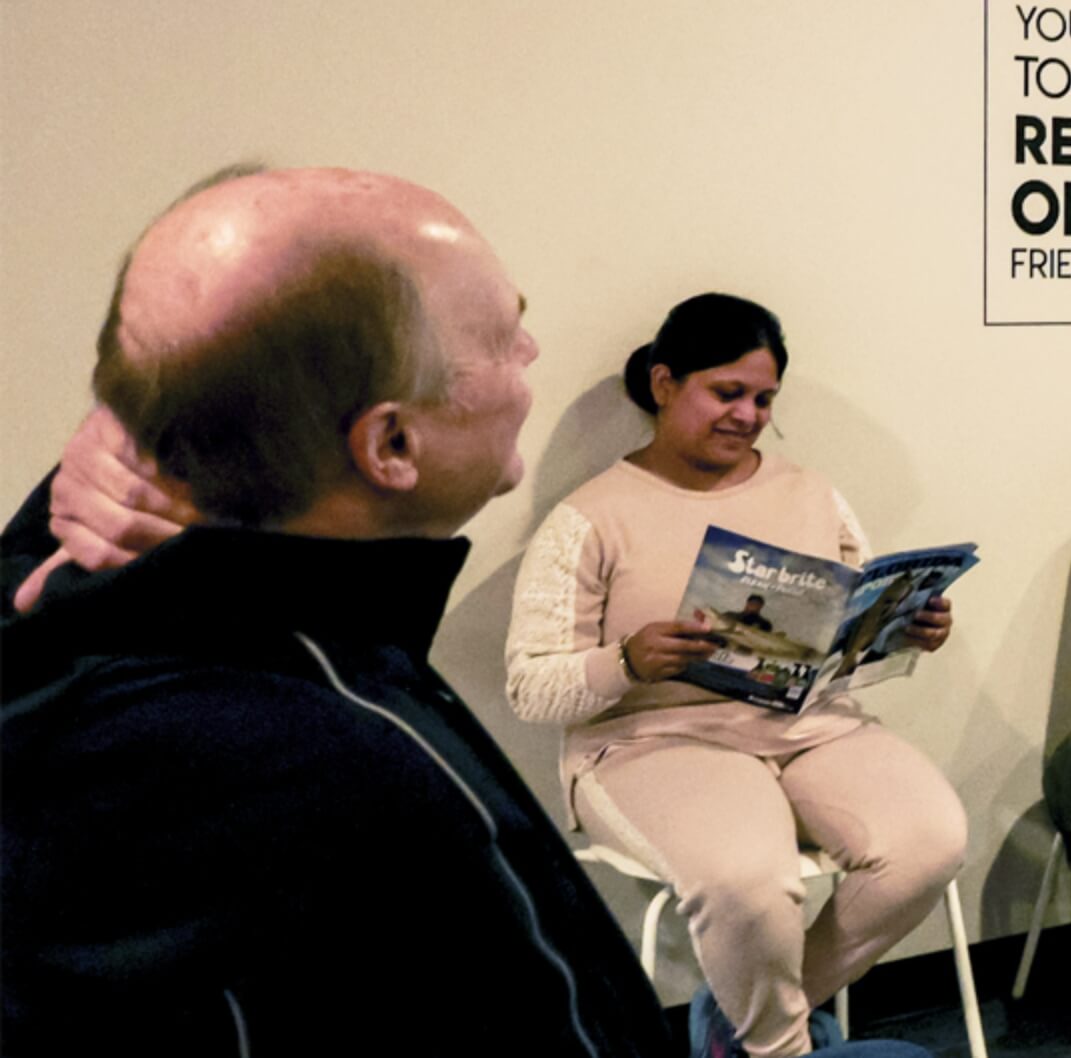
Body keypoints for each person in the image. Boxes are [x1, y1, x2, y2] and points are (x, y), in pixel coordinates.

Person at [1, 165, 671, 1055]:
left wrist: (147, 412)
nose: (533, 354)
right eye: (506, 334)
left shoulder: (37, 611)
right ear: (392, 444)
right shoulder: (362, 777)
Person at [504, 293, 969, 1058]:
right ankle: (780, 1050)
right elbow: (530, 685)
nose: (748, 415)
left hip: (810, 722)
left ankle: (738, 1029)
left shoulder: (811, 492)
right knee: (748, 884)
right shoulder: (591, 517)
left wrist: (906, 631)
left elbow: (849, 629)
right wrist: (625, 660)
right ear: (663, 384)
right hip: (652, 737)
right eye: (728, 392)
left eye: (764, 400)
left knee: (929, 842)